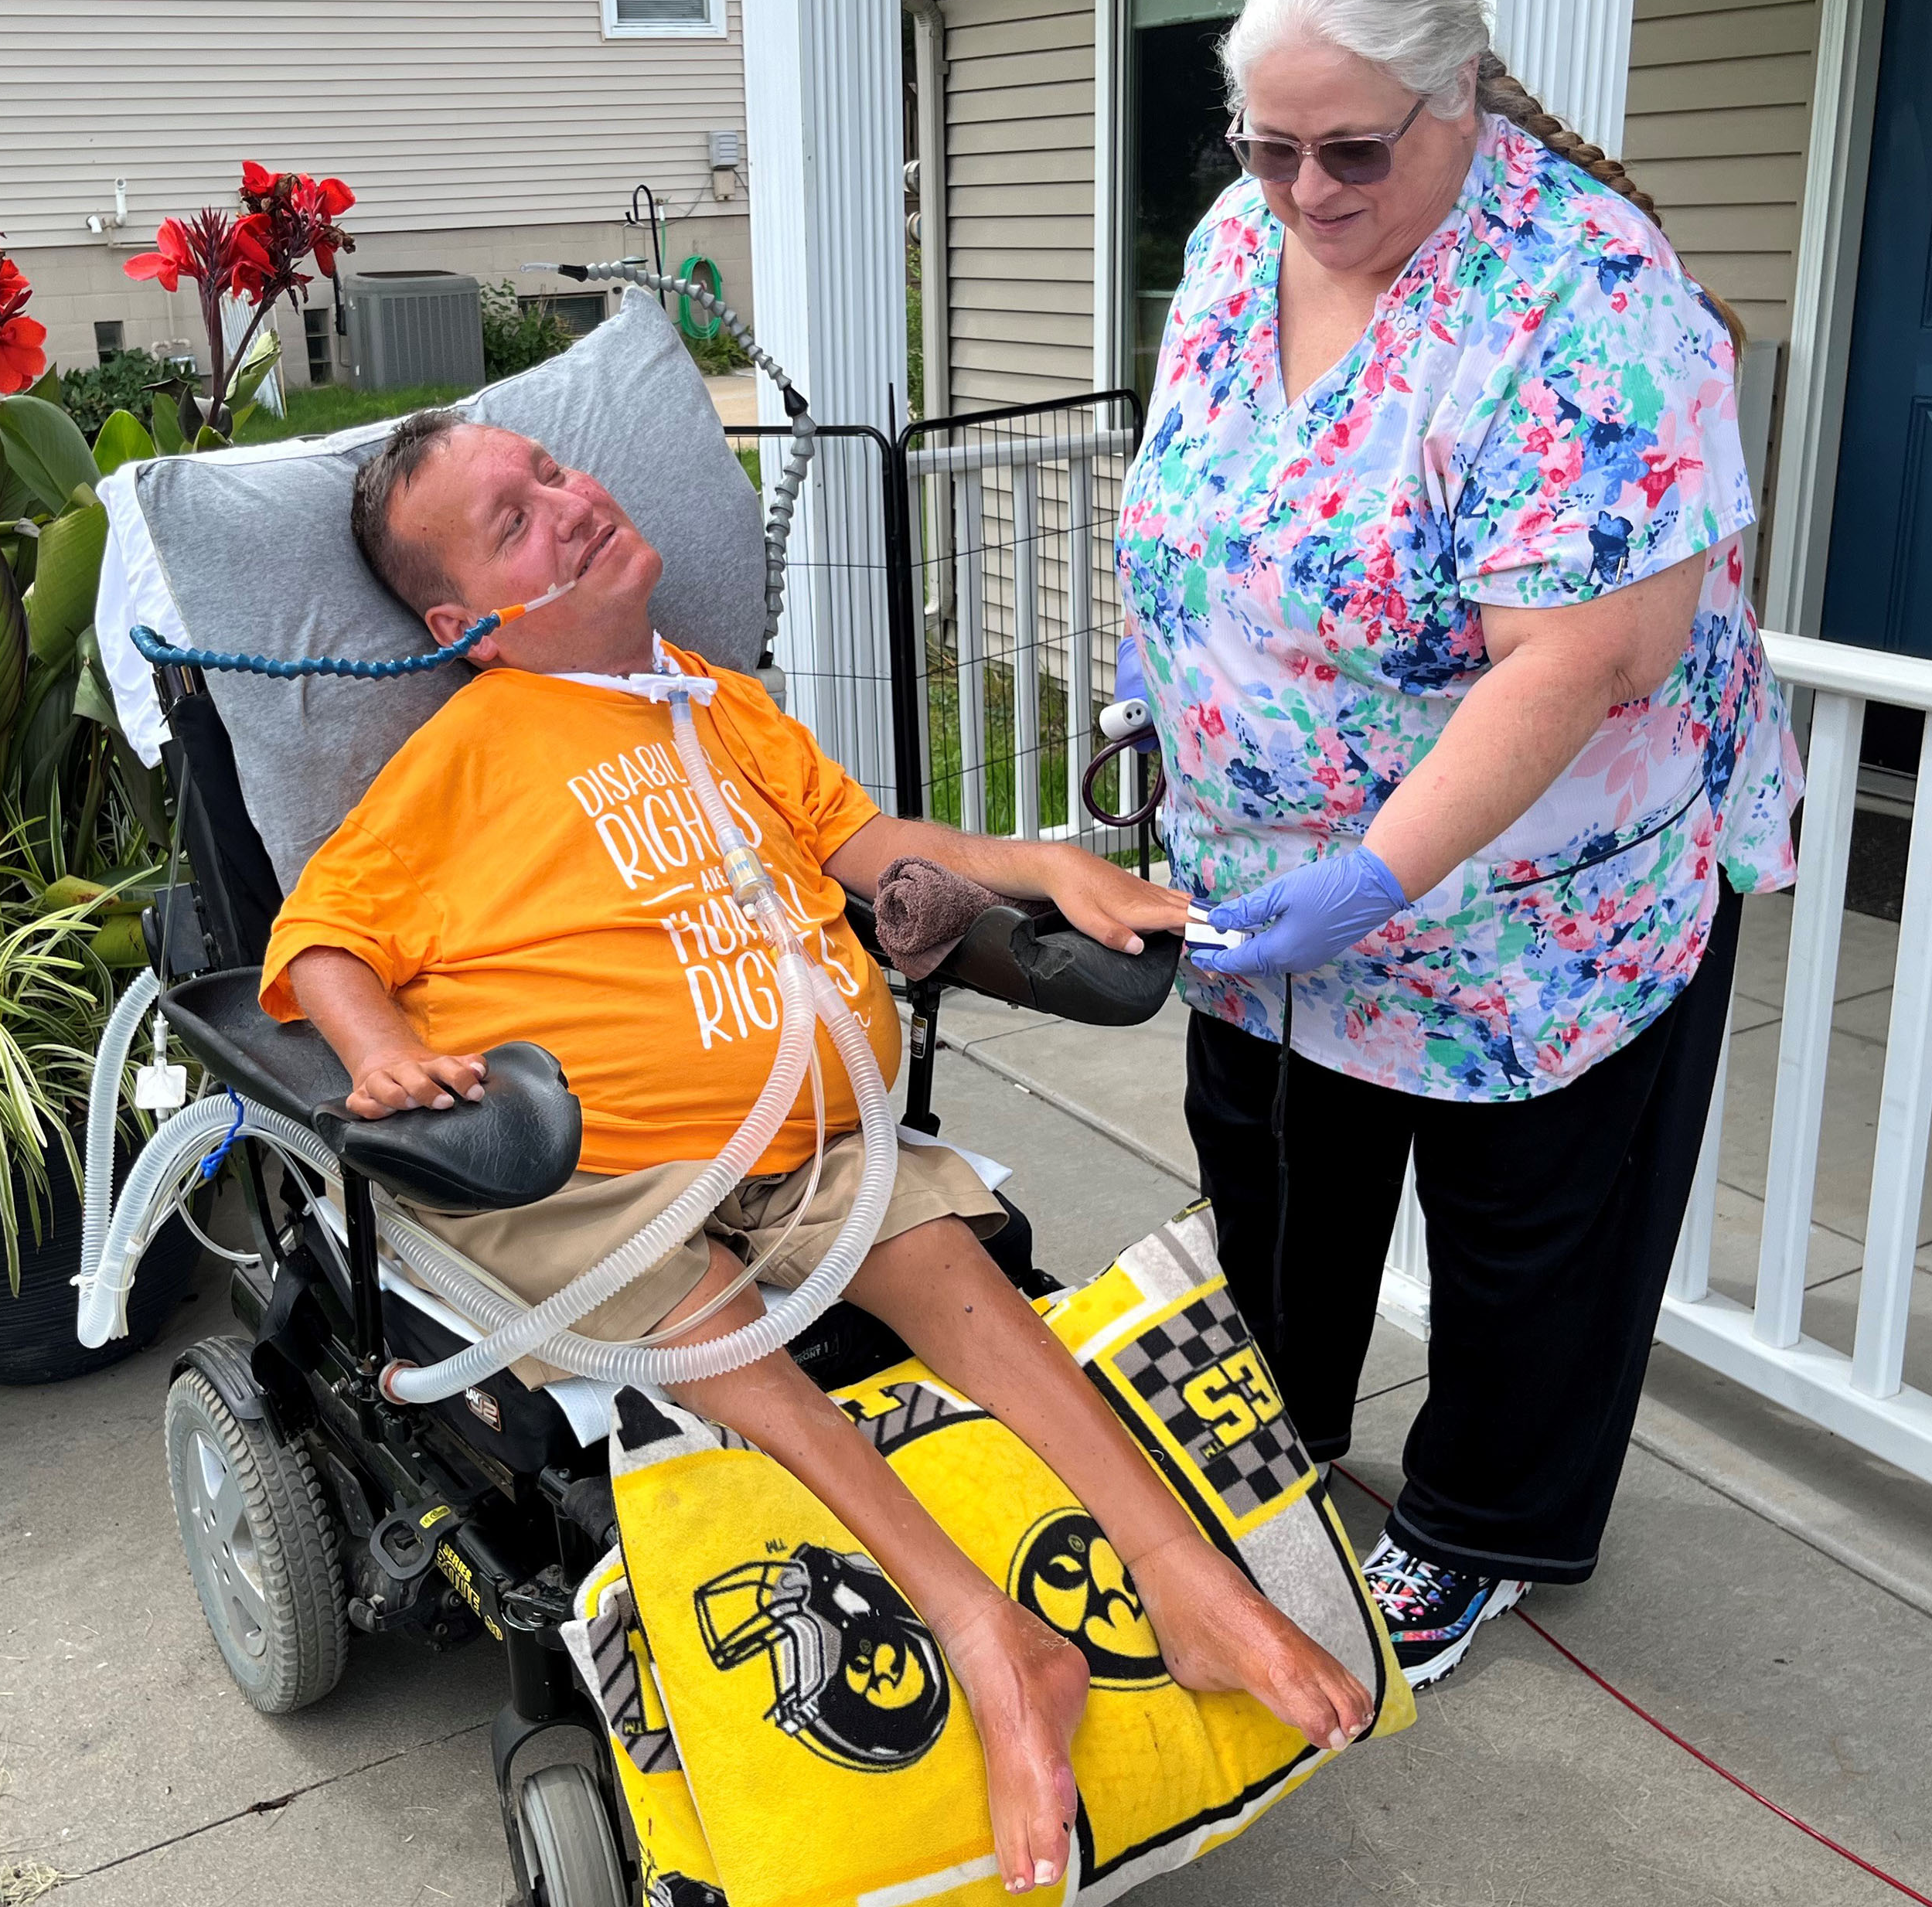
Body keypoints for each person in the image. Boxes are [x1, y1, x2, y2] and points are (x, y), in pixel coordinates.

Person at [261, 410, 1375, 1893]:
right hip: (603, 1172)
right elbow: (323, 931)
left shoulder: (717, 704)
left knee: (922, 1238)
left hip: (808, 1137)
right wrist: (377, 1046)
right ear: (472, 628)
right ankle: (984, 1633)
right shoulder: (474, 751)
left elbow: (865, 843)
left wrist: (1040, 864)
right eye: (513, 520)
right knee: (693, 1294)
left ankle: (1176, 1568)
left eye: (549, 469)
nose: (564, 498)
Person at [1115, 0, 1802, 1690]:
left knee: (1524, 1230)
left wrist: (1375, 869)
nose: (1307, 188)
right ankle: (1272, 1452)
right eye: (1269, 147)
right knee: (1274, 1178)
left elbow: (1582, 657)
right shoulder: (1233, 241)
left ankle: (1480, 1526)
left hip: (1534, 898)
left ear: (1466, 94)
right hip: (1269, 879)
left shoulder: (1584, 294)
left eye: (1355, 148)